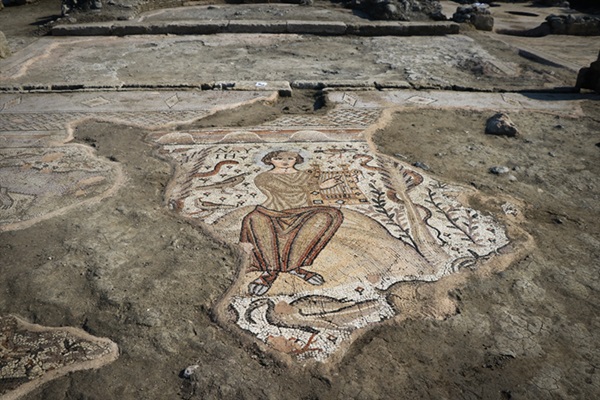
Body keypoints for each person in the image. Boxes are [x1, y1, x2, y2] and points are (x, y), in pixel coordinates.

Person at [240, 150, 344, 296]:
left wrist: (320, 186)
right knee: (253, 219)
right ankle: (270, 272)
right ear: (270, 160)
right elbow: (285, 190)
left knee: (331, 215)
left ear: (297, 159)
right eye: (278, 158)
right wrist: (320, 186)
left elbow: (307, 188)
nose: (285, 161)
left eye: (290, 158)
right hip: (271, 212)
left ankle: (295, 267)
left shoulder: (305, 176)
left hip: (301, 212)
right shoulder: (263, 177)